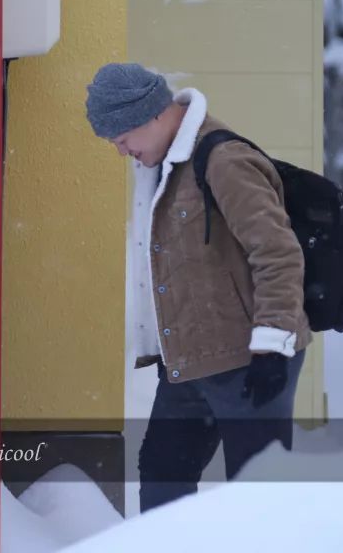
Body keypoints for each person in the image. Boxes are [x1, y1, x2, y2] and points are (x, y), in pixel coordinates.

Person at [85, 62, 312, 512]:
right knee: (161, 479)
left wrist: (271, 347)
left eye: (121, 139)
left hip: (250, 359)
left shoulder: (223, 161)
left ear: (149, 115)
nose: (120, 151)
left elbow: (278, 253)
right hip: (190, 364)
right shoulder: (164, 166)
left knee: (257, 497)